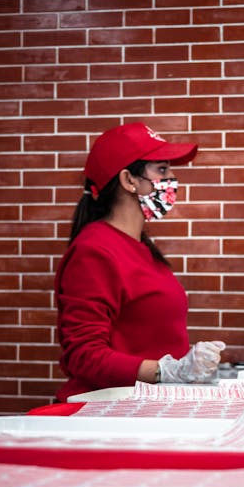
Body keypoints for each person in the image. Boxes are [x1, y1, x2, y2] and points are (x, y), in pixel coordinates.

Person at [54, 122, 225, 401]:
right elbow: (83, 355)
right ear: (128, 180)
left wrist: (186, 368)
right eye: (162, 170)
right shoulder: (94, 251)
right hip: (112, 415)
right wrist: (166, 370)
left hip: (149, 407)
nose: (172, 178)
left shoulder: (142, 247)